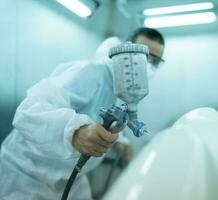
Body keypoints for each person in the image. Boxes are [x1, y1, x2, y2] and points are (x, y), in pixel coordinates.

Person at [0, 27, 165, 200]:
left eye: (155, 61)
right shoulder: (92, 72)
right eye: (142, 55)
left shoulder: (122, 88)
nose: (147, 65)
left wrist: (119, 142)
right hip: (27, 175)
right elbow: (28, 111)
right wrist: (76, 132)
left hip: (70, 179)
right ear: (125, 49)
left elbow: (99, 116)